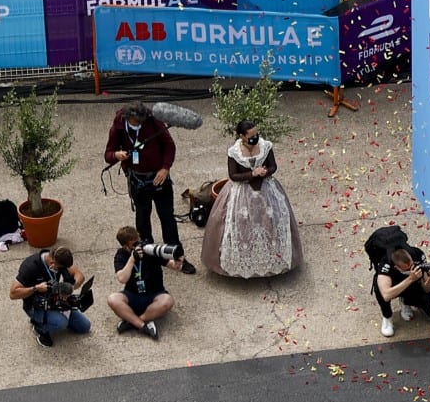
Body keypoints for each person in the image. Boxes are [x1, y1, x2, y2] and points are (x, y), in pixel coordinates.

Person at [201, 119, 304, 279]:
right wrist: (252, 174)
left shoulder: (265, 146)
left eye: (256, 134)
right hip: (241, 192)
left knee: (270, 219)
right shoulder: (234, 152)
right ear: (241, 136)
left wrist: (265, 172)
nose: (255, 137)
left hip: (266, 188)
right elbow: (233, 175)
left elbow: (273, 166)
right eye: (251, 135)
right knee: (240, 223)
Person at [105, 103, 179, 246]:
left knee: (167, 217)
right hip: (138, 180)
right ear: (127, 118)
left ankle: (176, 253)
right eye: (136, 122)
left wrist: (165, 168)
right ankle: (146, 252)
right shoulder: (118, 127)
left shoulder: (154, 120)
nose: (139, 124)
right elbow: (108, 154)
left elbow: (170, 145)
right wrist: (116, 155)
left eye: (141, 122)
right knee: (142, 219)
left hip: (159, 177)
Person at [108, 226, 179, 340]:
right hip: (133, 294)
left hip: (154, 293)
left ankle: (133, 321)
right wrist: (132, 259)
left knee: (167, 301)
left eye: (139, 241)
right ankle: (142, 325)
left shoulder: (149, 249)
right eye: (134, 244)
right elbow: (122, 278)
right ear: (126, 247)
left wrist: (178, 262)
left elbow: (171, 265)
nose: (139, 246)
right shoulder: (121, 255)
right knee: (113, 299)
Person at [12, 245, 91, 347]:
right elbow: (13, 293)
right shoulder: (30, 267)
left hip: (55, 299)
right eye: (60, 268)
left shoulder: (60, 256)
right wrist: (35, 288)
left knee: (84, 327)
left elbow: (80, 275)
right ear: (52, 263)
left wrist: (70, 287)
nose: (62, 270)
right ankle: (39, 327)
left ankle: (54, 318)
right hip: (35, 304)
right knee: (61, 323)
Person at [374, 246, 430, 339]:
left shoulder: (418, 255)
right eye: (407, 269)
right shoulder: (386, 264)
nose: (411, 269)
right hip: (394, 284)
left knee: (427, 301)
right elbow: (386, 295)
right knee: (380, 290)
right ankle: (387, 317)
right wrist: (410, 278)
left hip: (411, 284)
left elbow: (426, 289)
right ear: (397, 267)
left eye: (412, 265)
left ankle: (405, 301)